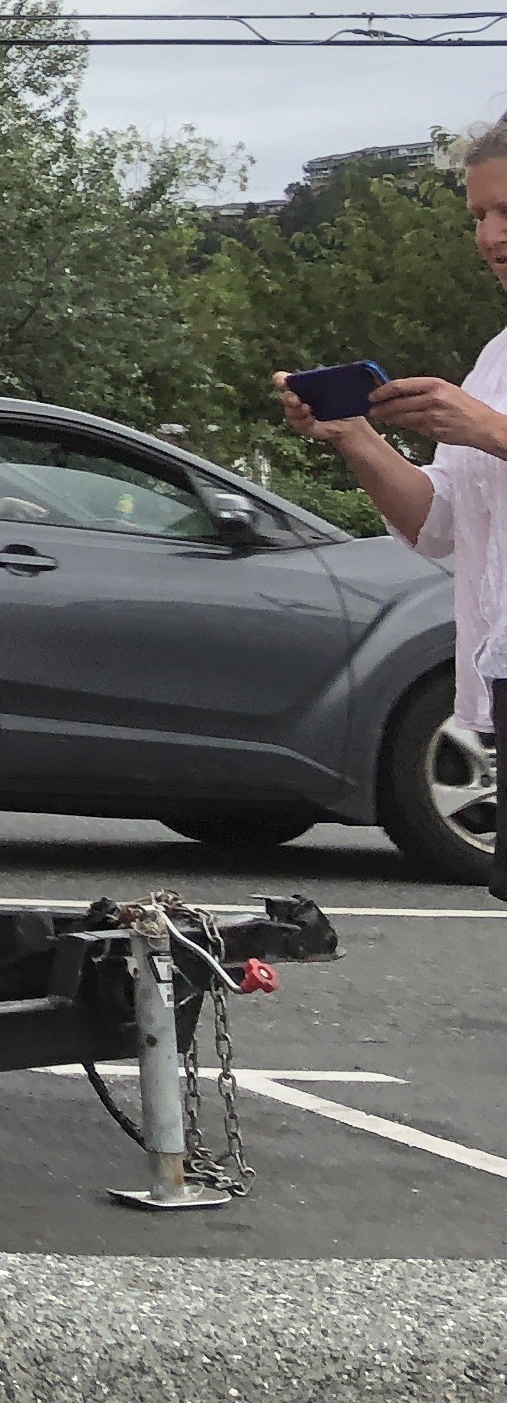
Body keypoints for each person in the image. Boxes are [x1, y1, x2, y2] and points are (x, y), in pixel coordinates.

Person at [275, 120, 507, 898]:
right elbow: (438, 525)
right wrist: (353, 435)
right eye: (477, 216)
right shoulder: (499, 356)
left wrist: (490, 431)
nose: (490, 236)